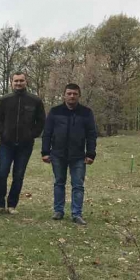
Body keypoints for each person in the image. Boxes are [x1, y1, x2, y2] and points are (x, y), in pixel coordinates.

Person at [41, 83, 97, 225]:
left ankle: (76, 213)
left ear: (79, 95)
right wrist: (45, 151)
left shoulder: (86, 112)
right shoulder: (55, 111)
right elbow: (47, 133)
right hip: (58, 154)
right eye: (69, 93)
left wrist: (91, 153)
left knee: (78, 185)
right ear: (64, 95)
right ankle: (58, 211)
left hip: (78, 156)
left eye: (75, 94)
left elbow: (91, 134)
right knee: (59, 182)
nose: (72, 96)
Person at [0, 72, 46, 214]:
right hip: (6, 144)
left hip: (25, 145)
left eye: (21, 81)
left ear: (26, 82)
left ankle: (12, 205)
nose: (18, 83)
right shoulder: (4, 100)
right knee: (2, 173)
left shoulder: (35, 101)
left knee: (19, 175)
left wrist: (32, 135)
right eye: (16, 81)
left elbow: (41, 122)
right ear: (11, 83)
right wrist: (3, 133)